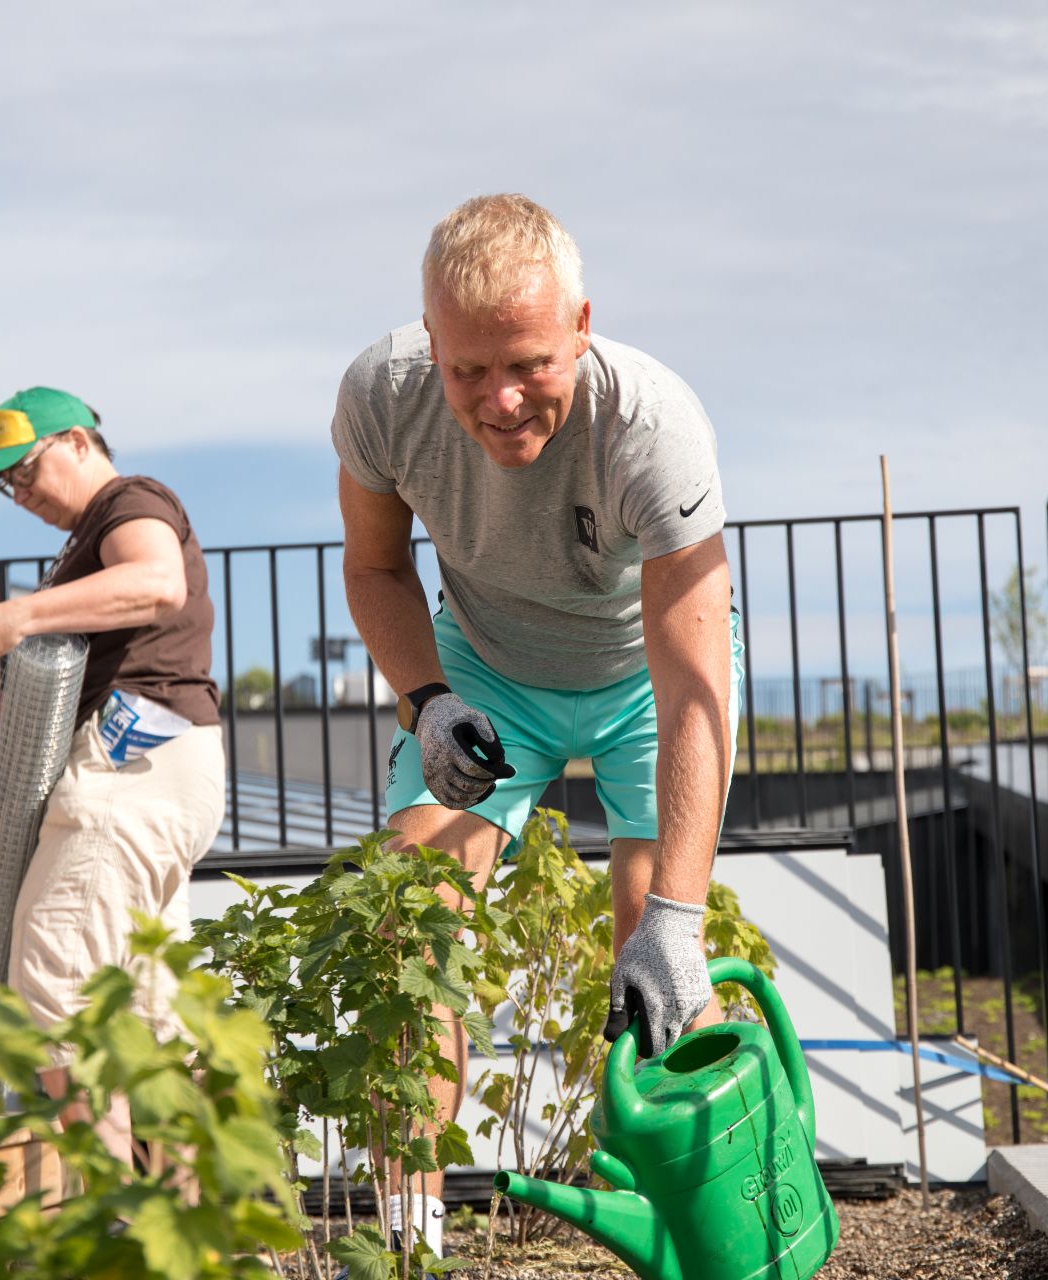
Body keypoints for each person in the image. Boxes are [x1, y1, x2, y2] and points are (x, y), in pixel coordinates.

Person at [332, 193, 742, 1254]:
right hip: (485, 671)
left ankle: (692, 1243)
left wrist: (678, 919)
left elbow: (695, 687)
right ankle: (410, 1247)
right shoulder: (382, 397)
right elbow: (375, 568)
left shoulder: (654, 425)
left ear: (582, 327)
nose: (502, 399)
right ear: (431, 342)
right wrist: (429, 702)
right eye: (469, 369)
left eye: (529, 364)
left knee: (655, 958)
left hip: (645, 678)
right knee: (413, 926)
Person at [0, 386, 225, 1163]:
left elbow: (157, 581)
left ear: (77, 441)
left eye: (26, 469)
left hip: (128, 772)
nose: (22, 494)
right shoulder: (89, 536)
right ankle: (186, 1216)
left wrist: (16, 615)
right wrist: (9, 706)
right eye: (7, 486)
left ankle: (115, 1211)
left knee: (55, 977)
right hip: (154, 765)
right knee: (148, 1015)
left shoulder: (129, 501)